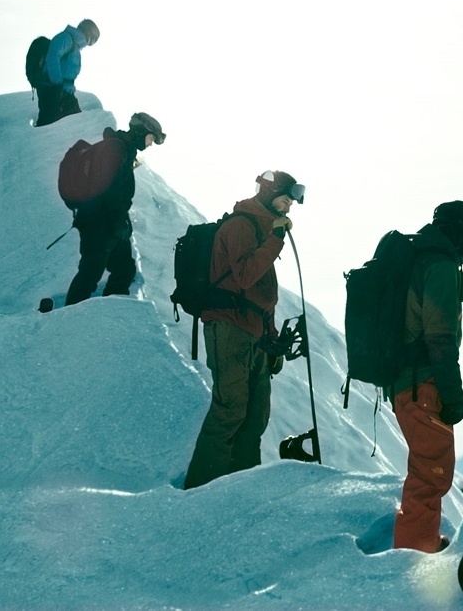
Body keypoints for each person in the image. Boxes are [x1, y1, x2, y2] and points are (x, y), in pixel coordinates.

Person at [183, 171, 305, 489]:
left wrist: (272, 338)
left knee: (254, 417)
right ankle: (201, 489)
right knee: (230, 409)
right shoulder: (240, 226)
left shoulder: (262, 232)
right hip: (229, 326)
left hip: (255, 334)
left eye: (293, 199)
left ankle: (241, 490)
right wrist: (275, 238)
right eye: (285, 197)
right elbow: (245, 276)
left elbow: (262, 296)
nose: (290, 204)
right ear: (269, 192)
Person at [390, 201, 463, 553]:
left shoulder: (418, 258)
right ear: (458, 234)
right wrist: (453, 393)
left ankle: (421, 541)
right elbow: (441, 337)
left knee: (427, 467)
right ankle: (416, 552)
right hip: (424, 383)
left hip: (406, 381)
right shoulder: (442, 267)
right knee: (431, 472)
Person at [62, 112, 164, 307]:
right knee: (90, 272)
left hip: (108, 220)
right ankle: (70, 319)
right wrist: (119, 219)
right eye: (151, 138)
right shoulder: (115, 148)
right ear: (141, 132)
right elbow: (111, 187)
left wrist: (121, 220)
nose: (150, 144)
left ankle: (112, 315)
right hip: (98, 221)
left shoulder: (123, 149)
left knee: (123, 270)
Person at [34, 19, 99, 127]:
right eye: (92, 40)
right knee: (49, 127)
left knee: (76, 125)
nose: (89, 44)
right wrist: (57, 84)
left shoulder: (75, 47)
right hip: (53, 90)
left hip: (65, 93)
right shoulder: (66, 38)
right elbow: (52, 57)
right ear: (87, 31)